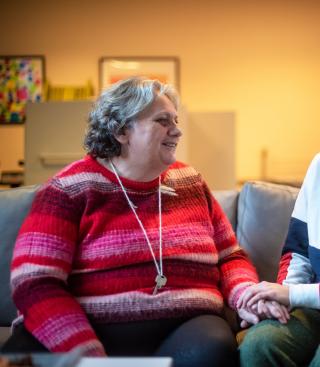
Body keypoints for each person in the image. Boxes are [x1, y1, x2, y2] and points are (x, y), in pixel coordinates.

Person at [2, 77, 286, 367]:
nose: (177, 130)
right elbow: (35, 282)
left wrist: (246, 295)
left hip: (184, 327)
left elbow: (230, 256)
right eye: (163, 121)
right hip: (87, 328)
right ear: (121, 130)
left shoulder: (190, 182)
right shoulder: (69, 190)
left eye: (175, 120)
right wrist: (86, 356)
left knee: (214, 348)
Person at [238, 153, 320, 367]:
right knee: (259, 345)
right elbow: (299, 250)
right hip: (314, 309)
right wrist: (278, 299)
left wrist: (293, 294)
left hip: (310, 298)